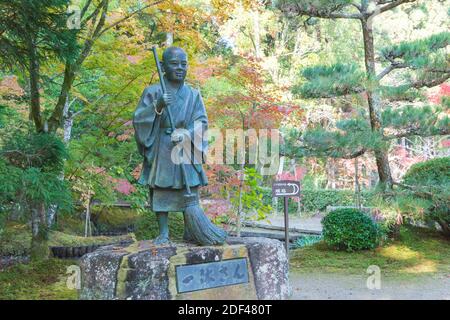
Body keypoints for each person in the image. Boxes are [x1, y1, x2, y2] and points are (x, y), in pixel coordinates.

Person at [133, 46, 224, 245]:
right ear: (163, 66)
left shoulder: (193, 94)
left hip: (185, 147)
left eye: (184, 64)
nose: (180, 67)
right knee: (161, 189)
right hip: (163, 147)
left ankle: (190, 230)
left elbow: (201, 121)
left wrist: (186, 133)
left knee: (188, 187)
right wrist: (157, 105)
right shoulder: (154, 91)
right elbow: (139, 119)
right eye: (174, 63)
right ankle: (163, 232)